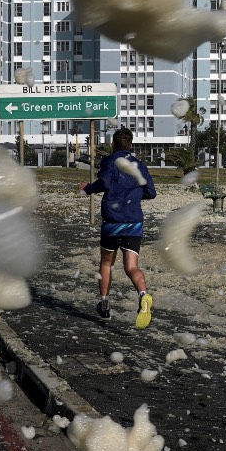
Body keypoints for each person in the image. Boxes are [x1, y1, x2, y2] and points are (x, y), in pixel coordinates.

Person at [77, 127, 156, 328]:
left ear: (113, 144)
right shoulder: (139, 165)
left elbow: (102, 183)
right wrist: (135, 196)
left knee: (106, 263)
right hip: (133, 222)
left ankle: (104, 306)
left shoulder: (110, 161)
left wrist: (87, 188)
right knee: (131, 267)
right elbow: (151, 192)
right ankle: (144, 295)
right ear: (131, 145)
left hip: (112, 222)